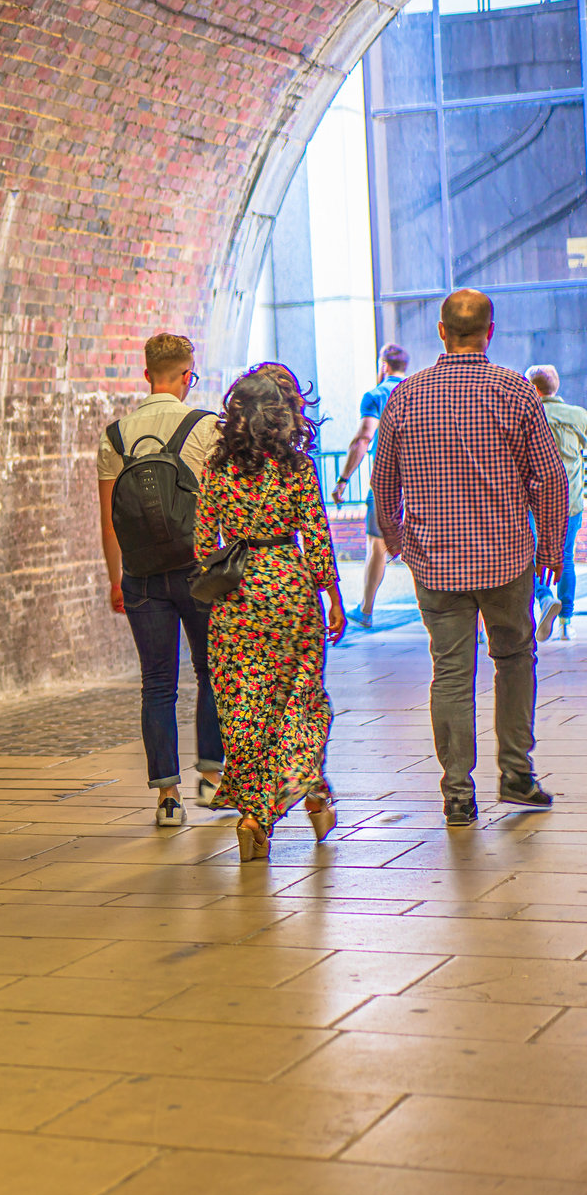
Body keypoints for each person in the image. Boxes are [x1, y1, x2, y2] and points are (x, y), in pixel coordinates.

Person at [371, 290, 567, 827]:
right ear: (491, 330)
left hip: (435, 563)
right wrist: (550, 546)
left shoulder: (406, 396)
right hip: (507, 560)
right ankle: (516, 774)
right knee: (513, 657)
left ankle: (457, 794)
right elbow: (549, 475)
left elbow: (382, 480)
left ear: (441, 331)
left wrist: (398, 540)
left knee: (451, 673)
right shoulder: (515, 391)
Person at [195, 368, 347, 862]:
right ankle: (312, 788)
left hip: (236, 596)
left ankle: (254, 817)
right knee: (299, 698)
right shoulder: (297, 469)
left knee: (246, 708)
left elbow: (202, 546)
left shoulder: (215, 470)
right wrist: (333, 597)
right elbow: (317, 536)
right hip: (288, 587)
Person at [98, 332, 225, 827]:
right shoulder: (207, 427)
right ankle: (212, 781)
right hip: (199, 571)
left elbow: (109, 520)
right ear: (187, 375)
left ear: (146, 373)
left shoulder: (116, 436)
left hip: (142, 575)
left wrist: (116, 580)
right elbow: (223, 506)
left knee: (157, 684)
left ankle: (168, 798)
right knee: (212, 670)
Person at [331, 344, 409, 627]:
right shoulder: (417, 389)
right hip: (420, 482)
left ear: (384, 366)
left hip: (387, 483)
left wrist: (343, 480)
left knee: (377, 544)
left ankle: (366, 610)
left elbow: (364, 437)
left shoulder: (376, 395)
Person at [529, 364, 587, 642]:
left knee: (533, 557)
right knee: (565, 558)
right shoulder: (577, 415)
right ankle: (566, 621)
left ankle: (545, 599)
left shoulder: (526, 415)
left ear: (534, 388)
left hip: (533, 502)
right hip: (570, 501)